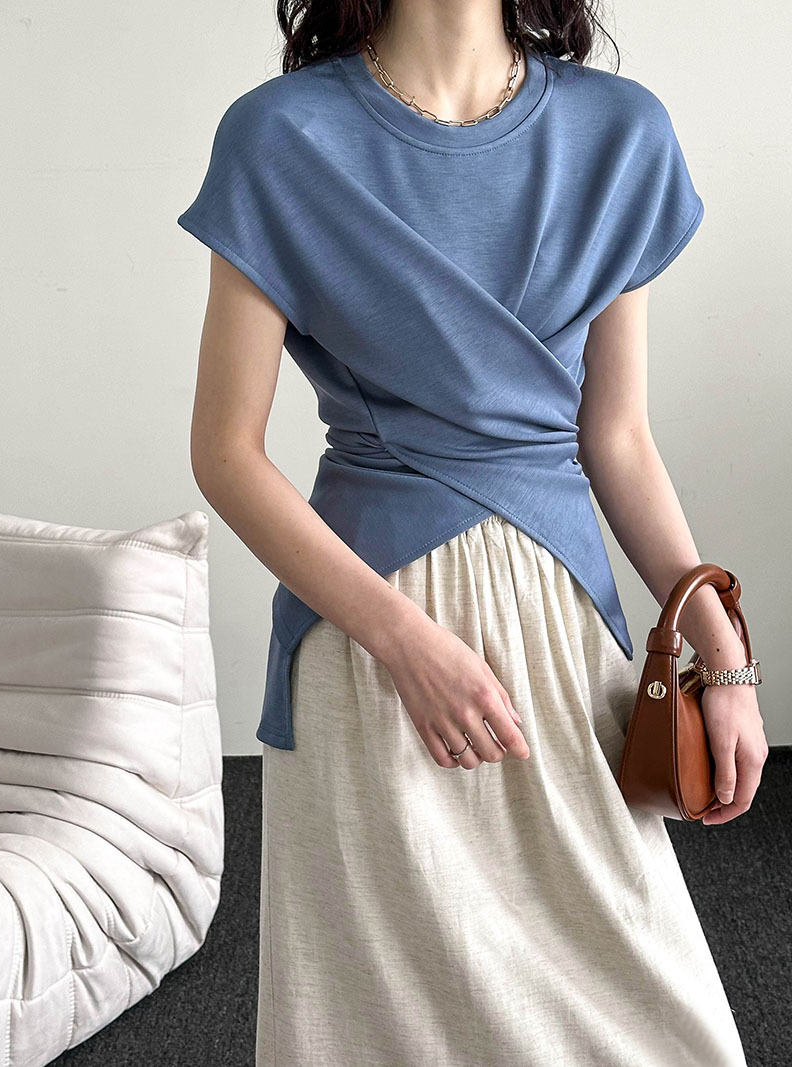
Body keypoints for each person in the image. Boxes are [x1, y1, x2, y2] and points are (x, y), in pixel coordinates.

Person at [178, 2, 768, 1064]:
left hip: (559, 630)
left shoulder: (619, 130)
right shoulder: (281, 135)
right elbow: (226, 452)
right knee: (377, 1023)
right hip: (369, 642)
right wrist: (403, 641)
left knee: (654, 1017)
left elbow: (617, 438)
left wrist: (719, 648)